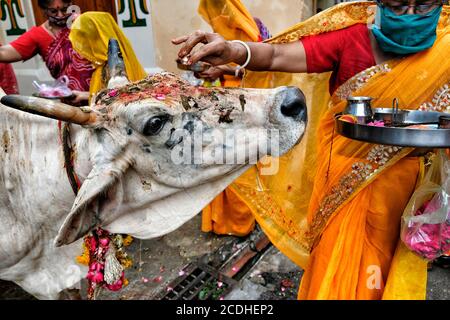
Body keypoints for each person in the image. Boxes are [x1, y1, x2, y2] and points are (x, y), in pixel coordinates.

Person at [173, 0, 450, 299]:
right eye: (397, 6)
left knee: (387, 270)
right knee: (336, 265)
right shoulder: (351, 39)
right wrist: (233, 51)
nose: (409, 17)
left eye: (422, 7)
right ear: (378, 3)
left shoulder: (445, 50)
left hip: (409, 190)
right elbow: (277, 54)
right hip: (342, 185)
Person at [196, 0, 273, 237]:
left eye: (217, 12)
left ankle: (245, 219)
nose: (215, 18)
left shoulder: (255, 31)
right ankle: (223, 220)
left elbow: (264, 69)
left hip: (248, 103)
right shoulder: (213, 36)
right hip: (221, 102)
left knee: (244, 163)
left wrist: (224, 70)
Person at [0, 0, 93, 105]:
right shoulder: (38, 35)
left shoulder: (86, 23)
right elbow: (3, 53)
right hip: (71, 103)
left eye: (64, 9)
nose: (60, 15)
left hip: (101, 97)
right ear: (44, 11)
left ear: (71, 5)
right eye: (53, 11)